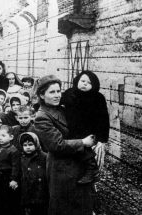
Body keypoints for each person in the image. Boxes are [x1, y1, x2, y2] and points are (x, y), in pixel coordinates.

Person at [34, 75, 96, 215]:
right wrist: (83, 142)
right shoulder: (42, 117)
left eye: (58, 91)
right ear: (42, 95)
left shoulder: (62, 108)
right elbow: (56, 145)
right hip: (62, 171)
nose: (57, 95)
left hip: (78, 165)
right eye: (52, 92)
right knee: (64, 208)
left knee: (81, 206)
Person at [61, 71, 109, 184]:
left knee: (85, 148)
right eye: (82, 81)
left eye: (89, 82)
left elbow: (104, 118)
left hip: (89, 130)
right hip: (71, 128)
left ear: (94, 85)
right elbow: (59, 102)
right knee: (73, 149)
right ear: (77, 81)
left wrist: (102, 138)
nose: (85, 84)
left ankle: (91, 169)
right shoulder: (70, 93)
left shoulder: (98, 98)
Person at [19, 132, 48, 215]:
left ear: (36, 144)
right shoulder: (21, 158)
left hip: (41, 191)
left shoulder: (44, 157)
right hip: (26, 192)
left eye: (31, 144)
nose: (28, 147)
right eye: (25, 145)